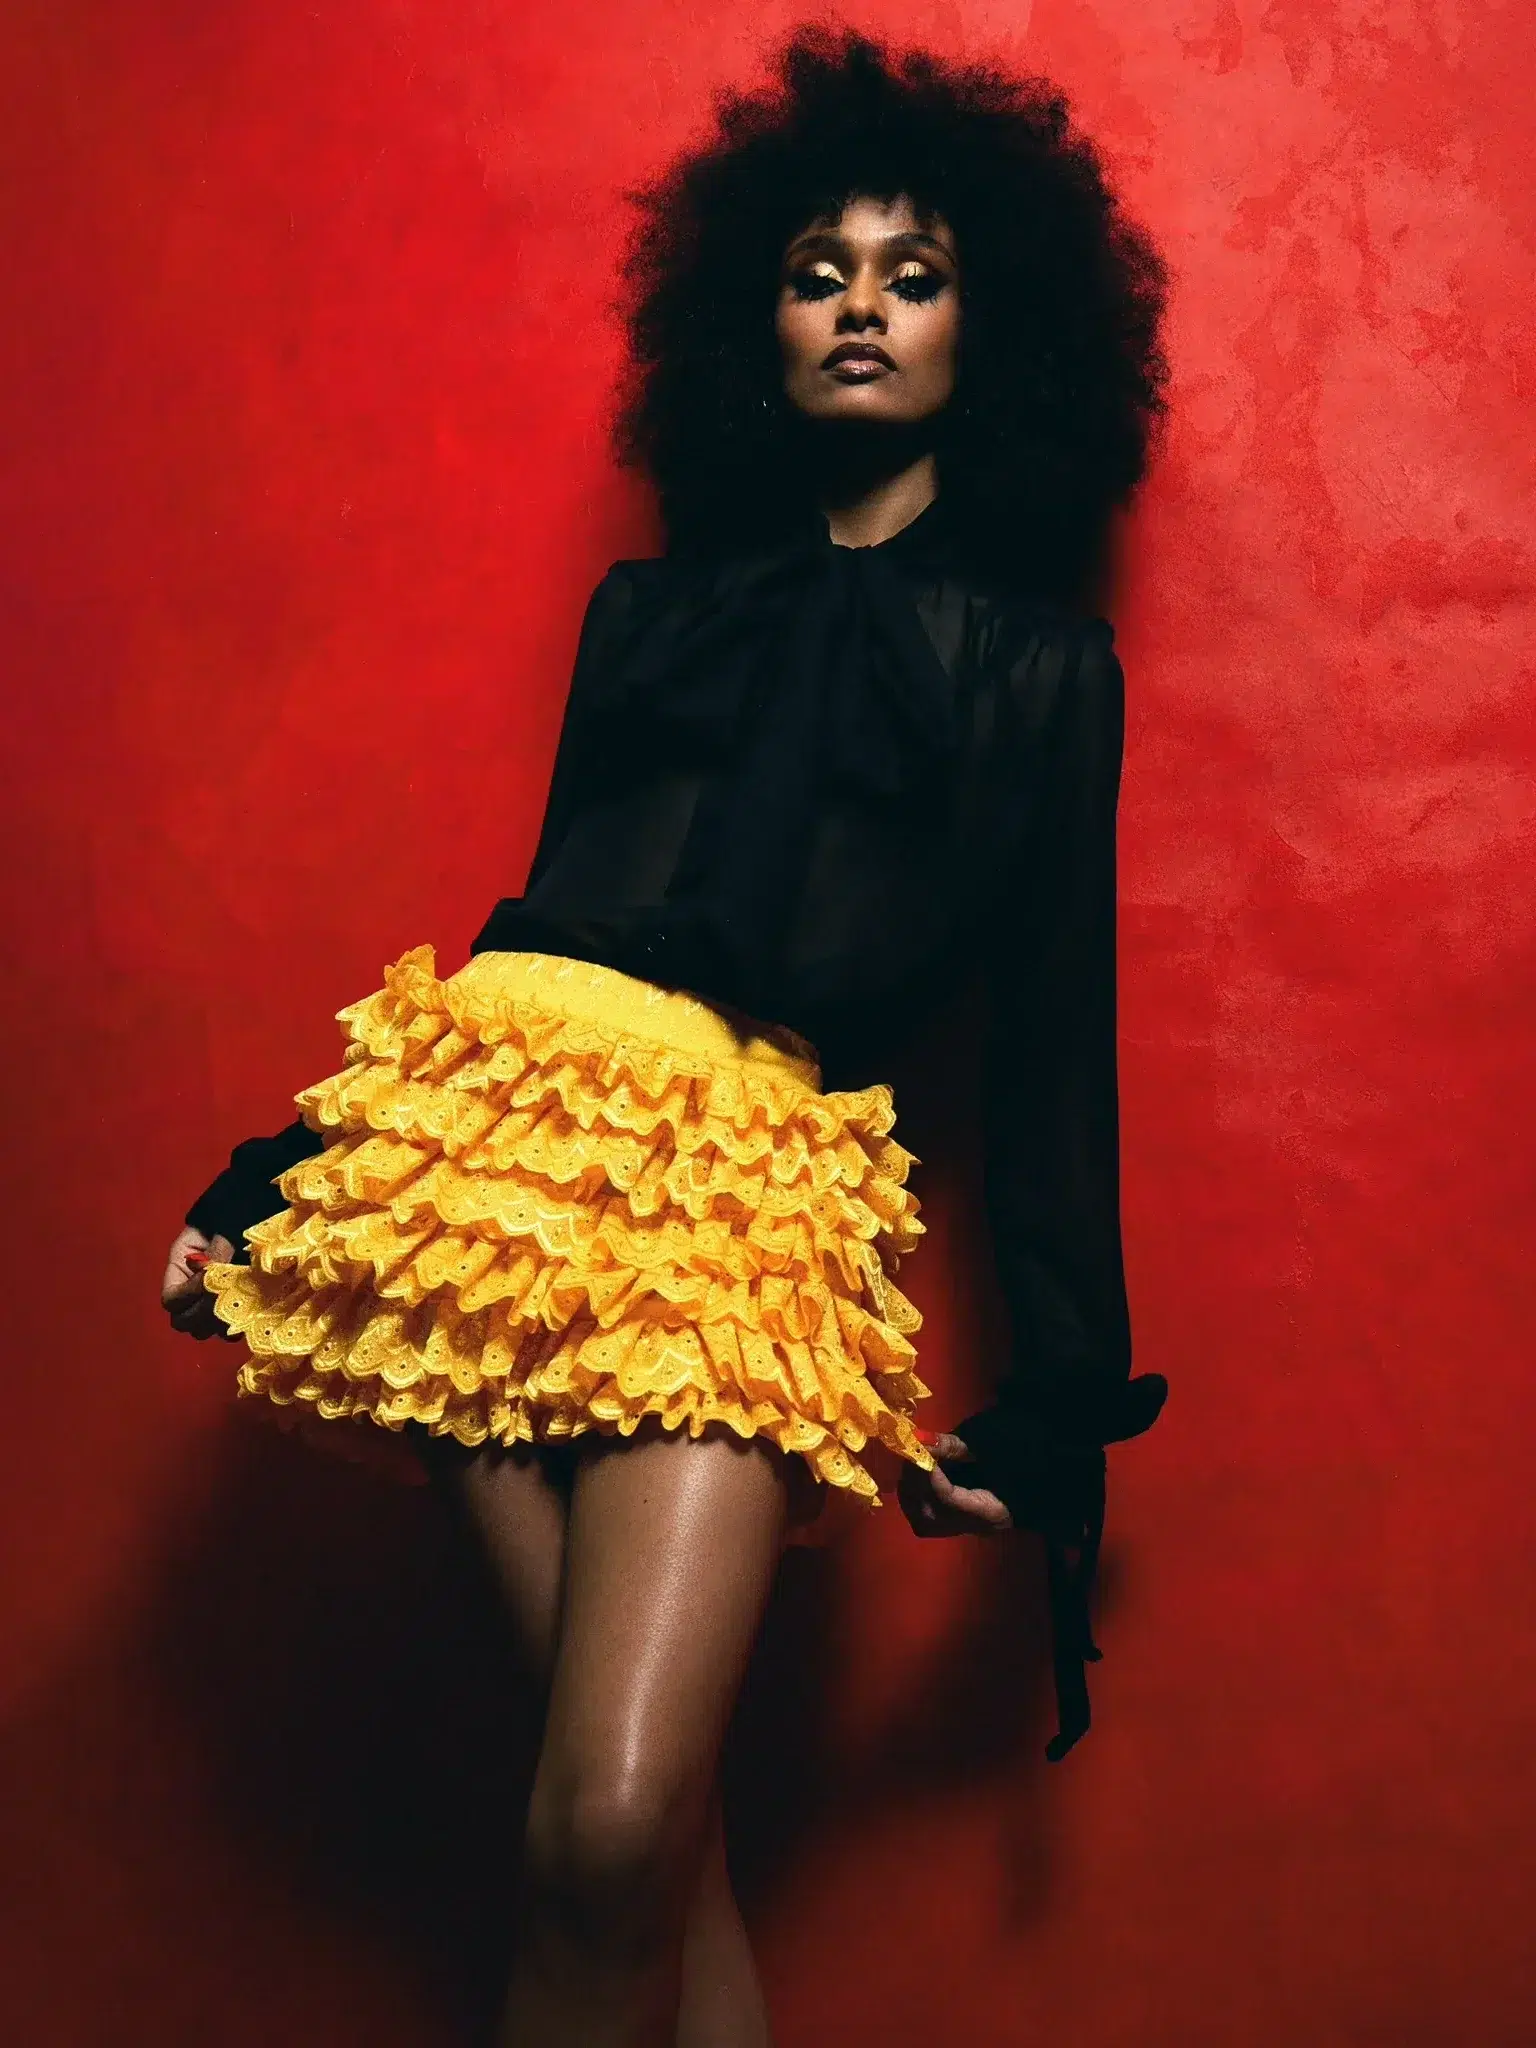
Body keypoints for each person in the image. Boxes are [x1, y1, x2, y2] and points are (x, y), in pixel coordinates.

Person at [160, 26, 1171, 2048]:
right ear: (754, 329)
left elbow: (1053, 1047)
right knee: (631, 1845)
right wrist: (291, 1173)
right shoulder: (651, 613)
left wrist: (1057, 1403)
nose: (860, 306)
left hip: (737, 1208)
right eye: (817, 272)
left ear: (992, 331)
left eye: (913, 273)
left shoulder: (1041, 675)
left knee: (619, 1820)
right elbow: (540, 924)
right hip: (497, 1179)